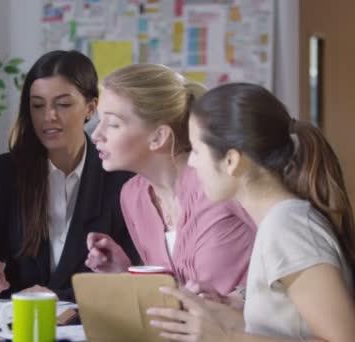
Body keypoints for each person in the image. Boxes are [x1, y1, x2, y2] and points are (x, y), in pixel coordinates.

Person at [148, 83, 355, 341]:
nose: (191, 162)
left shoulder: (287, 228)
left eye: (197, 151)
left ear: (232, 161)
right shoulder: (277, 222)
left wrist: (226, 338)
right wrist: (225, 316)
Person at [0, 50, 138, 301]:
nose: (48, 116)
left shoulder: (122, 179)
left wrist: (57, 301)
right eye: (38, 105)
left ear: (90, 108)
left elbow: (133, 273)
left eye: (63, 104)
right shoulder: (1, 175)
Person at [86, 64, 256, 296]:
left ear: (158, 137)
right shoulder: (132, 195)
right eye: (99, 121)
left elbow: (290, 260)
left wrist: (244, 299)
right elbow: (171, 298)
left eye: (113, 124)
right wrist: (125, 272)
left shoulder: (220, 181)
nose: (96, 135)